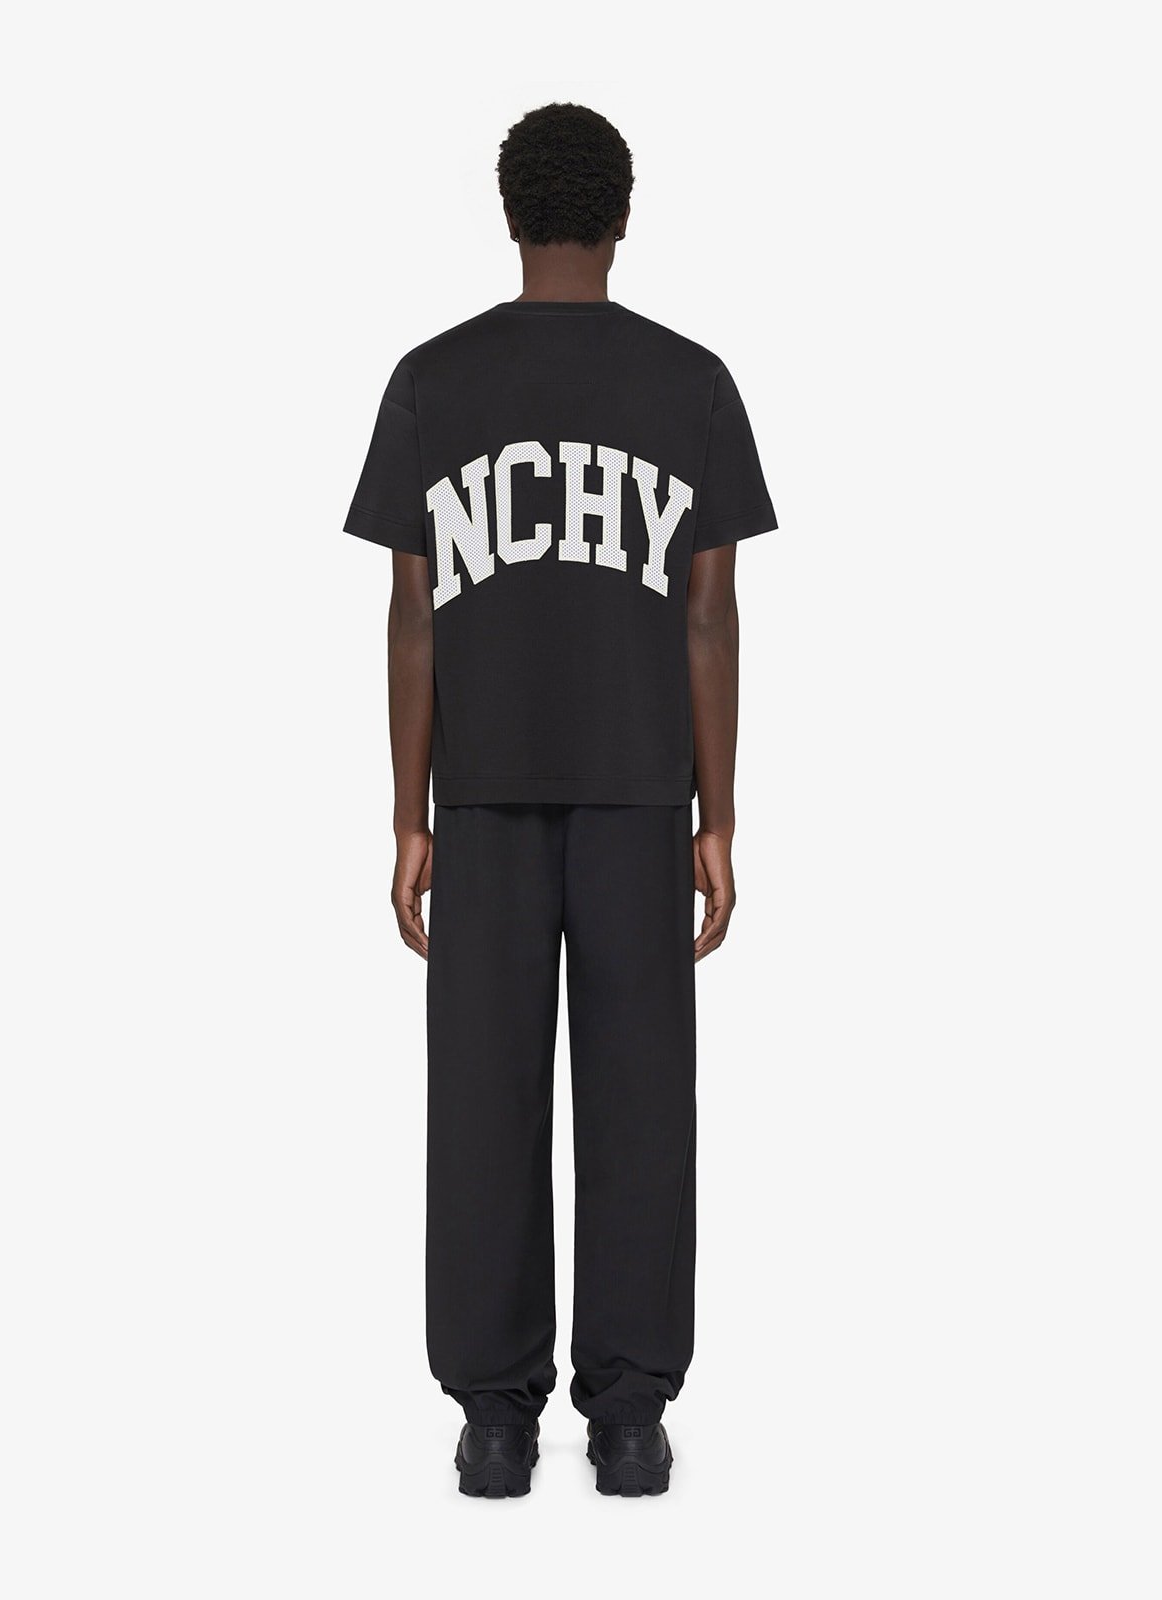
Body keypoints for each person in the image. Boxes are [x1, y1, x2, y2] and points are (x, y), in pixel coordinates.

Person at [344, 102, 775, 1498]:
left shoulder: (433, 381)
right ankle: (630, 1417)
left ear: (510, 211)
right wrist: (718, 812)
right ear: (624, 216)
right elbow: (708, 612)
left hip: (482, 794)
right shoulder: (690, 384)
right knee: (643, 1103)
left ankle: (494, 1418)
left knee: (481, 1102)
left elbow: (412, 613)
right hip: (642, 790)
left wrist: (407, 812)